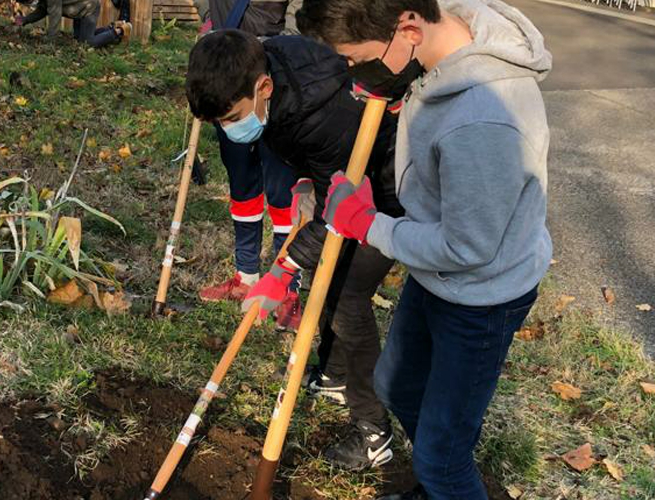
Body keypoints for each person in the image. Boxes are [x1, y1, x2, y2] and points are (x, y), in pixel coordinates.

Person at [298, 0, 552, 497]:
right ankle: (442, 477)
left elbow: (467, 248)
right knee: (396, 385)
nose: (351, 73)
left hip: (482, 296)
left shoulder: (481, 118)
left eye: (354, 58)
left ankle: (444, 475)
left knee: (441, 454)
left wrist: (369, 225)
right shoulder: (440, 41)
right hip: (436, 275)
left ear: (408, 28)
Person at [187, 29, 408, 470]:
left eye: (232, 117)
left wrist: (283, 268)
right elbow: (310, 164)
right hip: (341, 176)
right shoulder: (268, 69)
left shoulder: (324, 115)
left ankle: (373, 431)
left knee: (347, 295)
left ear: (263, 87)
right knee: (329, 282)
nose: (229, 130)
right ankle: (333, 374)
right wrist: (307, 178)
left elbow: (337, 213)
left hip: (388, 191)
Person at [193, 0, 304, 332]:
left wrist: (280, 48)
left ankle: (286, 288)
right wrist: (211, 27)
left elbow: (299, 8)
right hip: (226, 78)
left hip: (270, 77)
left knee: (283, 192)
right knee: (242, 185)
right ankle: (246, 275)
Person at [14, 0, 130, 48]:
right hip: (78, 11)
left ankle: (120, 31)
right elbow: (43, 10)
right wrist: (25, 20)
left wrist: (50, 42)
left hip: (88, 9)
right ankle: (111, 27)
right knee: (79, 38)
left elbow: (55, 18)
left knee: (87, 43)